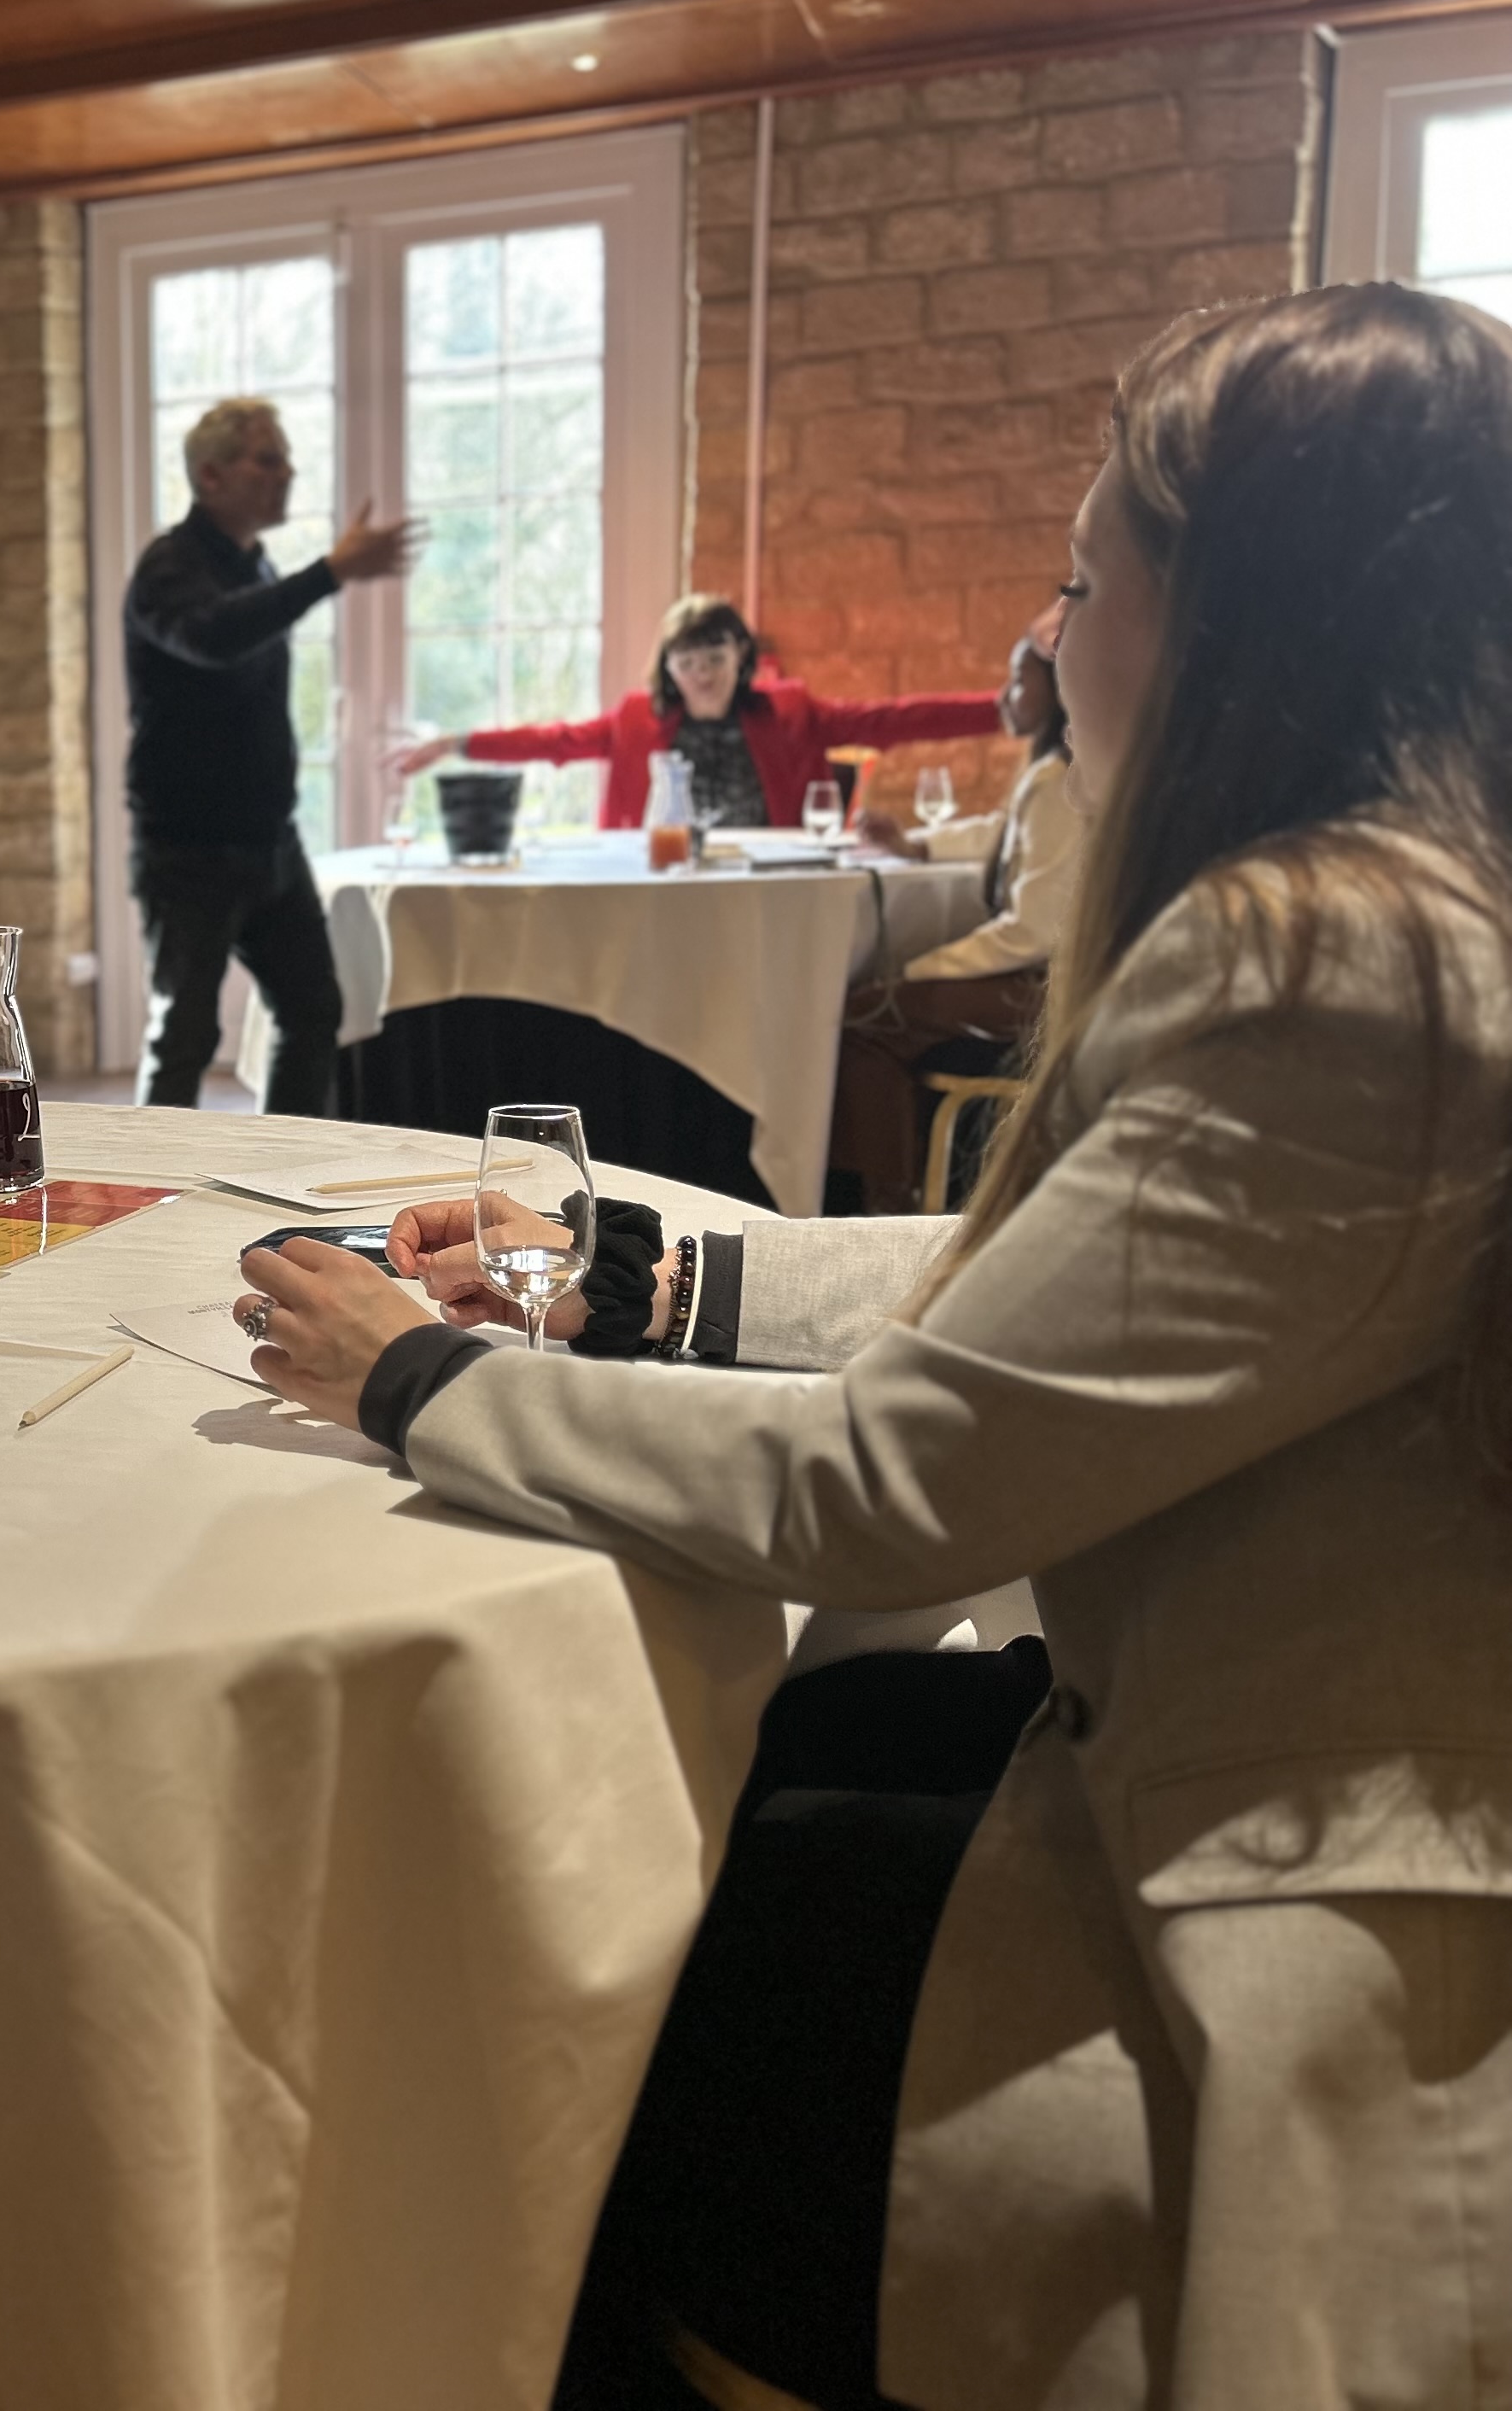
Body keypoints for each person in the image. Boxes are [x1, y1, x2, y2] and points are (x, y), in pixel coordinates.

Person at [241, 282, 1512, 2409]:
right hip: (1234, 1746)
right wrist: (641, 1271)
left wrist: (415, 1376)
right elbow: (1034, 1285)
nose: (1045, 632)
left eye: (1086, 571)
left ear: (1244, 624)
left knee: (592, 1946)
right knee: (776, 1754)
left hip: (1305, 1901)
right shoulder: (1408, 909)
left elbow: (888, 1496)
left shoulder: (1329, 968)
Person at [121, 398, 418, 1113]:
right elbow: (212, 637)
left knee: (313, 1010)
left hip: (269, 844)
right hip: (188, 852)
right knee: (185, 1036)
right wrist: (331, 572)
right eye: (269, 458)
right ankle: (142, 1185)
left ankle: (281, 1168)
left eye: (286, 457)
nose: (288, 472)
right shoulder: (170, 566)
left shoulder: (256, 568)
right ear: (212, 475)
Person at [826, 602, 1088, 1209]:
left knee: (868, 1018)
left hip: (1039, 987)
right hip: (1035, 978)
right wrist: (916, 843)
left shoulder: (1058, 781)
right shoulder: (1050, 774)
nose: (1004, 697)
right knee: (876, 1009)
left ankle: (884, 1205)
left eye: (1018, 680)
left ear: (1054, 689)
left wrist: (918, 969)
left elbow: (1030, 932)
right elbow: (1001, 829)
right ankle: (906, 1183)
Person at [393, 595, 1004, 829]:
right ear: (669, 669)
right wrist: (457, 743)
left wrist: (1006, 710)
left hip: (767, 878)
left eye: (714, 658)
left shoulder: (790, 712)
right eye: (687, 663)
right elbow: (556, 741)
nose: (702, 676)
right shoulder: (637, 719)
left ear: (740, 656)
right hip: (661, 880)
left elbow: (894, 721)